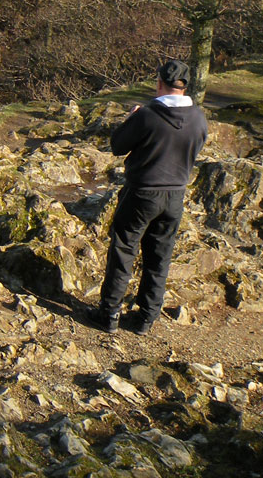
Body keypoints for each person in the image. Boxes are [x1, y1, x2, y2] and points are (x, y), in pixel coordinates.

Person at [87, 59, 208, 335]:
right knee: (160, 256)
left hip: (142, 192)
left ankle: (109, 314)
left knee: (124, 250)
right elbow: (196, 147)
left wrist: (132, 118)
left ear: (159, 83)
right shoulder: (199, 117)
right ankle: (146, 318)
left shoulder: (148, 115)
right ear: (185, 85)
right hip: (176, 195)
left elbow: (117, 146)